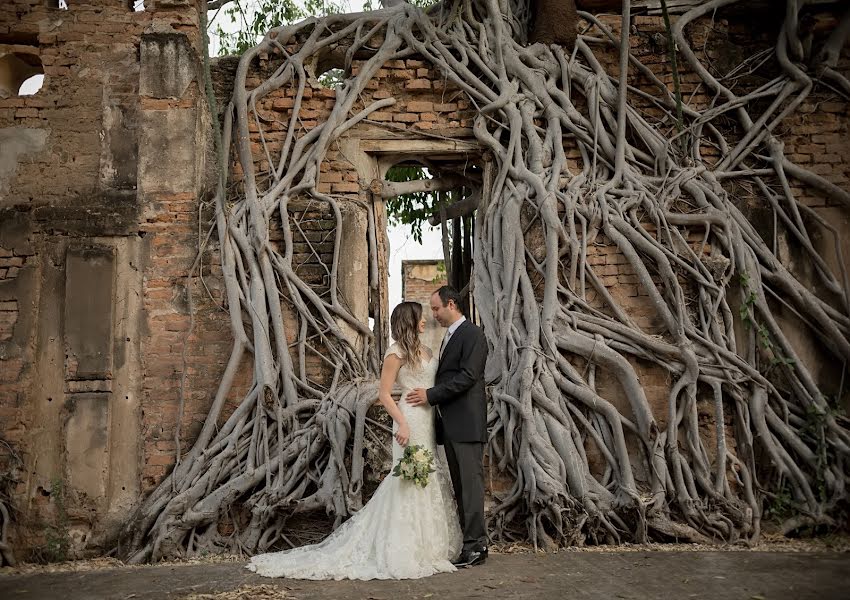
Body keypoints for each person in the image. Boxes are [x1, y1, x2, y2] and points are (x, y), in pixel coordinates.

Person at [247, 301, 461, 580]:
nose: (425, 321)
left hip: (429, 421)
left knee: (428, 476)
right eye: (420, 317)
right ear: (410, 320)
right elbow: (385, 394)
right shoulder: (395, 354)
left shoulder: (429, 351)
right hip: (408, 421)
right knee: (407, 480)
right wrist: (403, 423)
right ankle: (403, 548)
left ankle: (429, 547)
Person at [407, 285, 489, 567]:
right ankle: (469, 545)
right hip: (452, 424)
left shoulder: (473, 335)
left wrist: (430, 396)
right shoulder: (449, 337)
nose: (434, 314)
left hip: (467, 423)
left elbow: (467, 377)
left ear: (451, 304)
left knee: (471, 487)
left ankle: (477, 546)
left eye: (436, 308)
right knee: (460, 487)